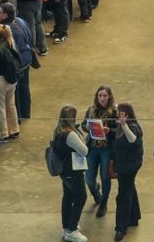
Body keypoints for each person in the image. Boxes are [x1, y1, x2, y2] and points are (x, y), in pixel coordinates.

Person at [51, 104, 90, 242]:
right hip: (73, 172)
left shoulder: (58, 131)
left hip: (64, 172)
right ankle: (72, 230)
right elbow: (84, 151)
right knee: (80, 197)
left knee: (68, 197)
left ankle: (67, 225)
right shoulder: (71, 134)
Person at [110, 101, 144, 241]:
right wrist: (110, 131)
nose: (117, 115)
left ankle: (121, 228)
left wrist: (123, 125)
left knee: (123, 196)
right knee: (130, 189)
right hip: (125, 164)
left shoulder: (133, 127)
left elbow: (132, 139)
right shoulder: (122, 126)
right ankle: (134, 217)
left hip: (128, 167)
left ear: (127, 115)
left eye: (120, 113)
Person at [84, 84, 118, 217]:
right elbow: (84, 124)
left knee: (105, 177)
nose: (102, 98)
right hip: (93, 148)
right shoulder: (91, 109)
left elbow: (119, 130)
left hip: (107, 149)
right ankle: (96, 192)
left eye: (105, 96)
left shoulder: (114, 112)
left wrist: (110, 131)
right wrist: (87, 127)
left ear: (109, 97)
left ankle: (104, 203)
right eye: (100, 96)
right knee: (89, 178)